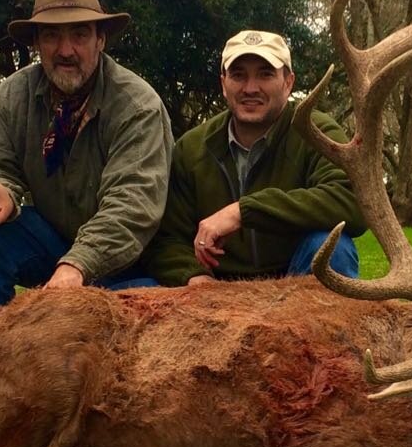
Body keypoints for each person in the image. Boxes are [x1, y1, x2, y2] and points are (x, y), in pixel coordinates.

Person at [0, 0, 173, 317]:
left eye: (80, 34)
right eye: (52, 35)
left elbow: (132, 208)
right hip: (52, 245)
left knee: (143, 315)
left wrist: (77, 266)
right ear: (37, 43)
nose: (65, 50)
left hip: (126, 265)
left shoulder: (137, 106)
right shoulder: (13, 94)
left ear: (101, 40)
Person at [146, 29, 364, 286]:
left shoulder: (317, 133)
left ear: (288, 82)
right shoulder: (192, 148)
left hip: (294, 283)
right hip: (216, 289)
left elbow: (352, 202)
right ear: (223, 83)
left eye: (265, 74)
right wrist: (195, 276)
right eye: (238, 75)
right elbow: (167, 239)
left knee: (332, 247)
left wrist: (242, 212)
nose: (250, 88)